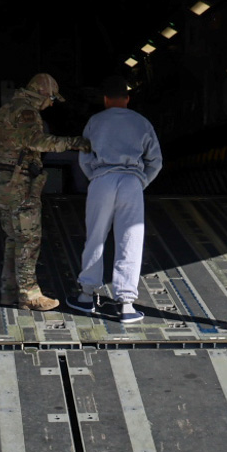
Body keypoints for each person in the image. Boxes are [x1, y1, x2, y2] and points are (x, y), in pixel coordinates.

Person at [0, 73, 88, 311]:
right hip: (19, 181)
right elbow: (36, 141)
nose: (51, 104)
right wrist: (75, 142)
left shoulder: (7, 108)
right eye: (51, 98)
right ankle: (29, 294)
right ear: (42, 94)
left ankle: (8, 291)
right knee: (29, 238)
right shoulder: (27, 112)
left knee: (14, 237)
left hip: (2, 179)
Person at [73, 76, 163, 324]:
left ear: (105, 99)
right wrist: (140, 181)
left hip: (102, 179)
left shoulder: (95, 121)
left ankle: (86, 295)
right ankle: (125, 304)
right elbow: (156, 161)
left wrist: (97, 177)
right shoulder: (141, 122)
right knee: (130, 239)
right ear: (127, 99)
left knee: (96, 237)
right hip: (132, 181)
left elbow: (84, 156)